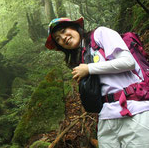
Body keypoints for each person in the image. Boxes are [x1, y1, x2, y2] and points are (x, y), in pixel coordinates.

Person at [45, 17, 149, 148]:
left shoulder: (100, 34)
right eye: (57, 38)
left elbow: (128, 62)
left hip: (134, 111)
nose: (63, 38)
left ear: (75, 27)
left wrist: (89, 68)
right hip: (106, 118)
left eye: (64, 30)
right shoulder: (82, 56)